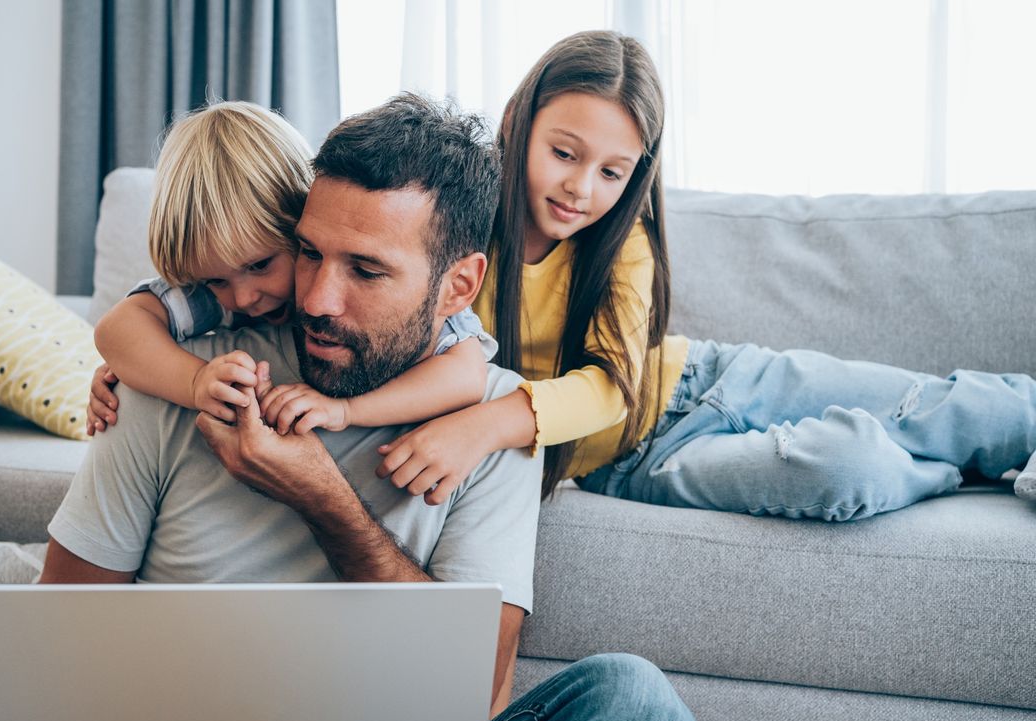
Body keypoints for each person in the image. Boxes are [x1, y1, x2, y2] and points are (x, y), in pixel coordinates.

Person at [0, 95, 698, 721]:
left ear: (458, 285)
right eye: (309, 255)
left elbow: (472, 696)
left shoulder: (491, 423)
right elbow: (60, 640)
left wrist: (320, 494)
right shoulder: (188, 376)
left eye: (366, 272)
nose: (318, 299)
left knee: (635, 709)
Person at [375, 29, 1036, 521]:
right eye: (563, 153)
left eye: (612, 171)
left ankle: (992, 449)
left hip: (711, 379)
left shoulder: (622, 239)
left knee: (964, 409)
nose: (580, 188)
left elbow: (613, 388)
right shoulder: (462, 231)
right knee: (847, 471)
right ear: (521, 123)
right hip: (637, 462)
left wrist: (488, 424)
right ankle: (962, 472)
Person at [86, 99, 493, 440]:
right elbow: (117, 330)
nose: (244, 298)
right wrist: (186, 380)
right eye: (214, 280)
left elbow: (466, 377)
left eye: (261, 265)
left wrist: (348, 411)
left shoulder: (430, 305)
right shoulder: (220, 297)